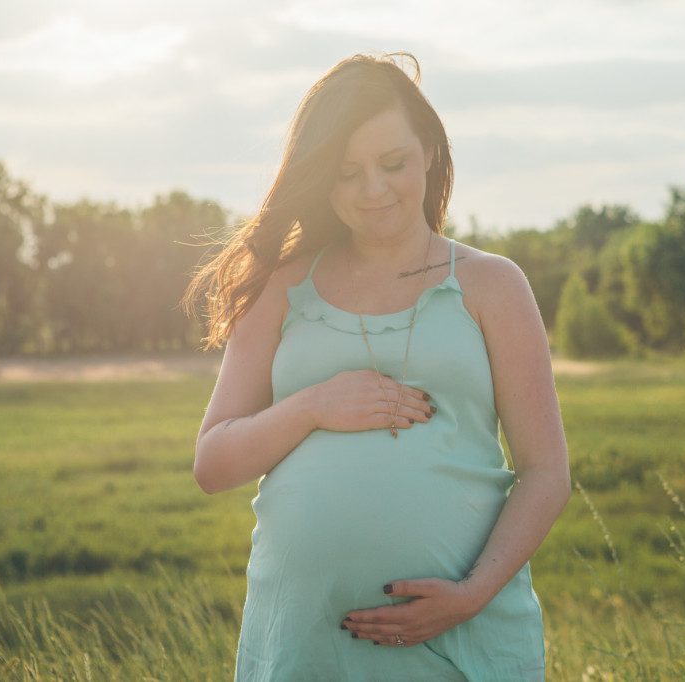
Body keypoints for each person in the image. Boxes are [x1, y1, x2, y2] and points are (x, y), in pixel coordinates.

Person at [184, 52, 571, 681]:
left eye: (392, 164)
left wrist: (468, 598)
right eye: (347, 173)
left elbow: (546, 472)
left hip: (464, 636)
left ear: (427, 152)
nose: (374, 190)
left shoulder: (492, 285)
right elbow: (213, 463)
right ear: (321, 181)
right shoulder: (281, 289)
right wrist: (313, 406)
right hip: (306, 640)